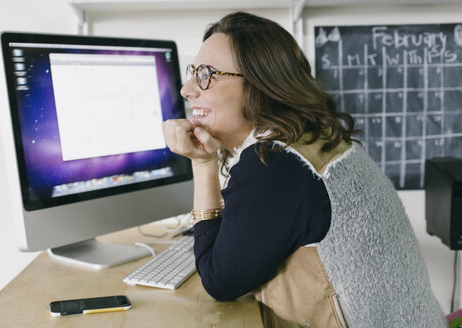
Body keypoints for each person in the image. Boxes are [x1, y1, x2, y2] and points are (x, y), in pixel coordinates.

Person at [162, 12, 446, 328]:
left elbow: (219, 281)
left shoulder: (274, 164)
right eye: (193, 72)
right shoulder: (308, 138)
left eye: (206, 74)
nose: (187, 89)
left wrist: (203, 164)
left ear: (260, 84)